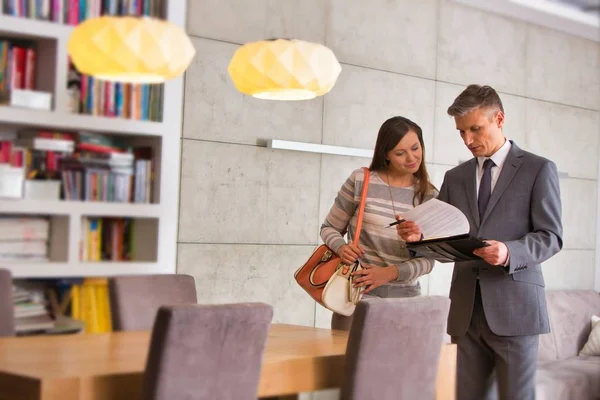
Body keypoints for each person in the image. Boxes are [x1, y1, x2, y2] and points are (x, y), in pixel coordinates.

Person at [397, 85, 563, 400]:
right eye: (461, 132)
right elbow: (441, 237)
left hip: (516, 312)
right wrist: (418, 238)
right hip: (465, 314)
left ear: (499, 118)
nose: (468, 140)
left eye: (475, 129)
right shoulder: (456, 177)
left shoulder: (538, 169)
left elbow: (551, 236)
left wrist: (508, 252)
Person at [320, 116, 438, 330]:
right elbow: (329, 228)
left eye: (415, 148)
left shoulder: (429, 196)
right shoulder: (361, 180)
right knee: (346, 363)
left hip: (406, 303)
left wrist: (388, 273)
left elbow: (429, 260)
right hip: (355, 296)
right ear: (386, 155)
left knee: (398, 364)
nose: (411, 158)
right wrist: (342, 247)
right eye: (400, 153)